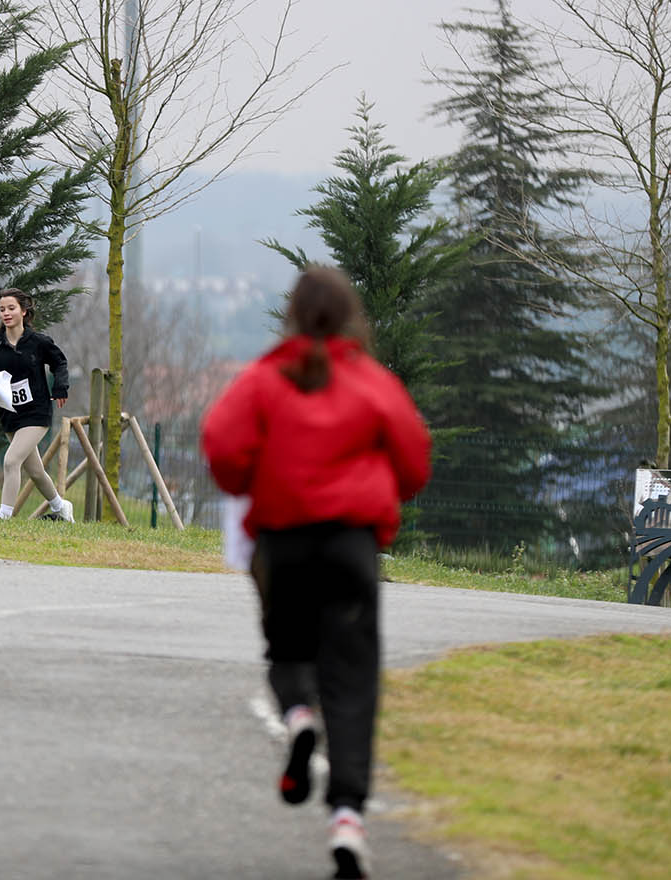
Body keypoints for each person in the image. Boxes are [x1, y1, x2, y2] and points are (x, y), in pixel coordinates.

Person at [199, 266, 431, 880]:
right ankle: (348, 822)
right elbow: (414, 463)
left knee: (289, 649)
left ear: (293, 317)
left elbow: (222, 448)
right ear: (352, 316)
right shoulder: (374, 383)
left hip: (284, 545)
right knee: (352, 684)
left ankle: (298, 718)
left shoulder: (264, 380)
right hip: (352, 549)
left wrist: (250, 478)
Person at [0, 288, 75, 522]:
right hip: (10, 415)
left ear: (24, 311)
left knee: (11, 460)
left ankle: (4, 517)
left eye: (11, 308)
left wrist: (60, 388)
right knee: (35, 471)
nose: (6, 313)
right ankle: (61, 508)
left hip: (37, 412)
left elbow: (60, 363)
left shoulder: (38, 342)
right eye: (2, 309)